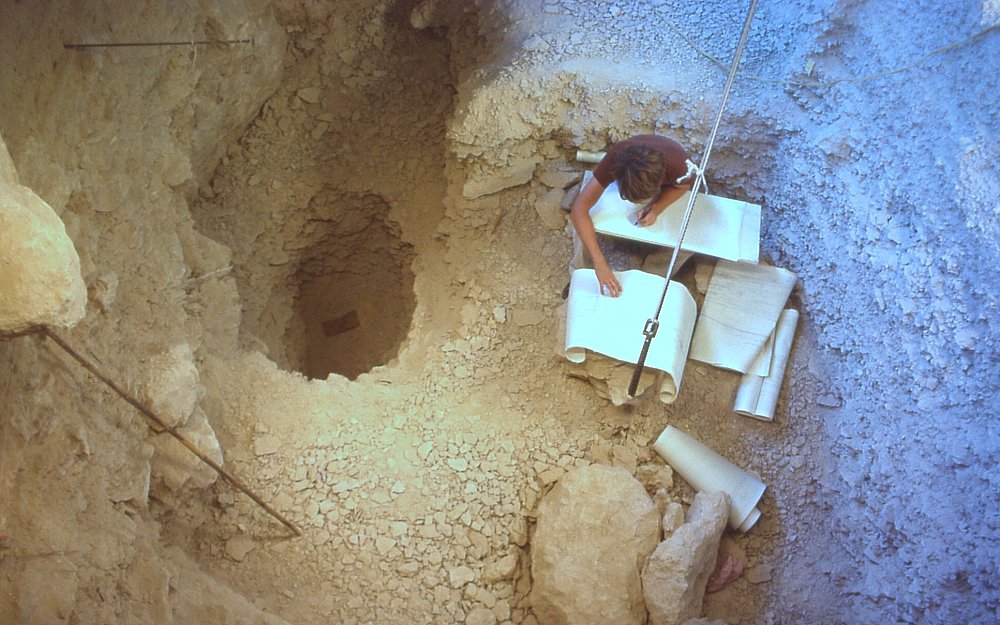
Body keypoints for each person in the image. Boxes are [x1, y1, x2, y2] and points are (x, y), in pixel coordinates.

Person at [569, 134, 695, 297]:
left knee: (688, 238)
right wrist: (599, 262)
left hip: (665, 184)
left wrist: (657, 207)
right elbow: (579, 209)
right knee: (582, 224)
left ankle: (649, 277)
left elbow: (683, 186)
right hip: (628, 173)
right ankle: (581, 275)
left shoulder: (681, 166)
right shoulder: (615, 159)